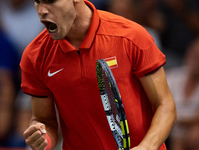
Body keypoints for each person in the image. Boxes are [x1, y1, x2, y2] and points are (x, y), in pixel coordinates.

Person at [20, 0, 177, 150]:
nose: (41, 11)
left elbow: (165, 105)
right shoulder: (35, 56)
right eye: (38, 1)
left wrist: (147, 146)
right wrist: (43, 139)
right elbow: (45, 121)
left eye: (51, 1)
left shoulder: (131, 37)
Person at [166, 37, 199, 150]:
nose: (196, 60)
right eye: (194, 54)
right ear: (188, 53)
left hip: (187, 130)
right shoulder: (173, 77)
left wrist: (175, 119)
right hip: (169, 128)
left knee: (195, 134)